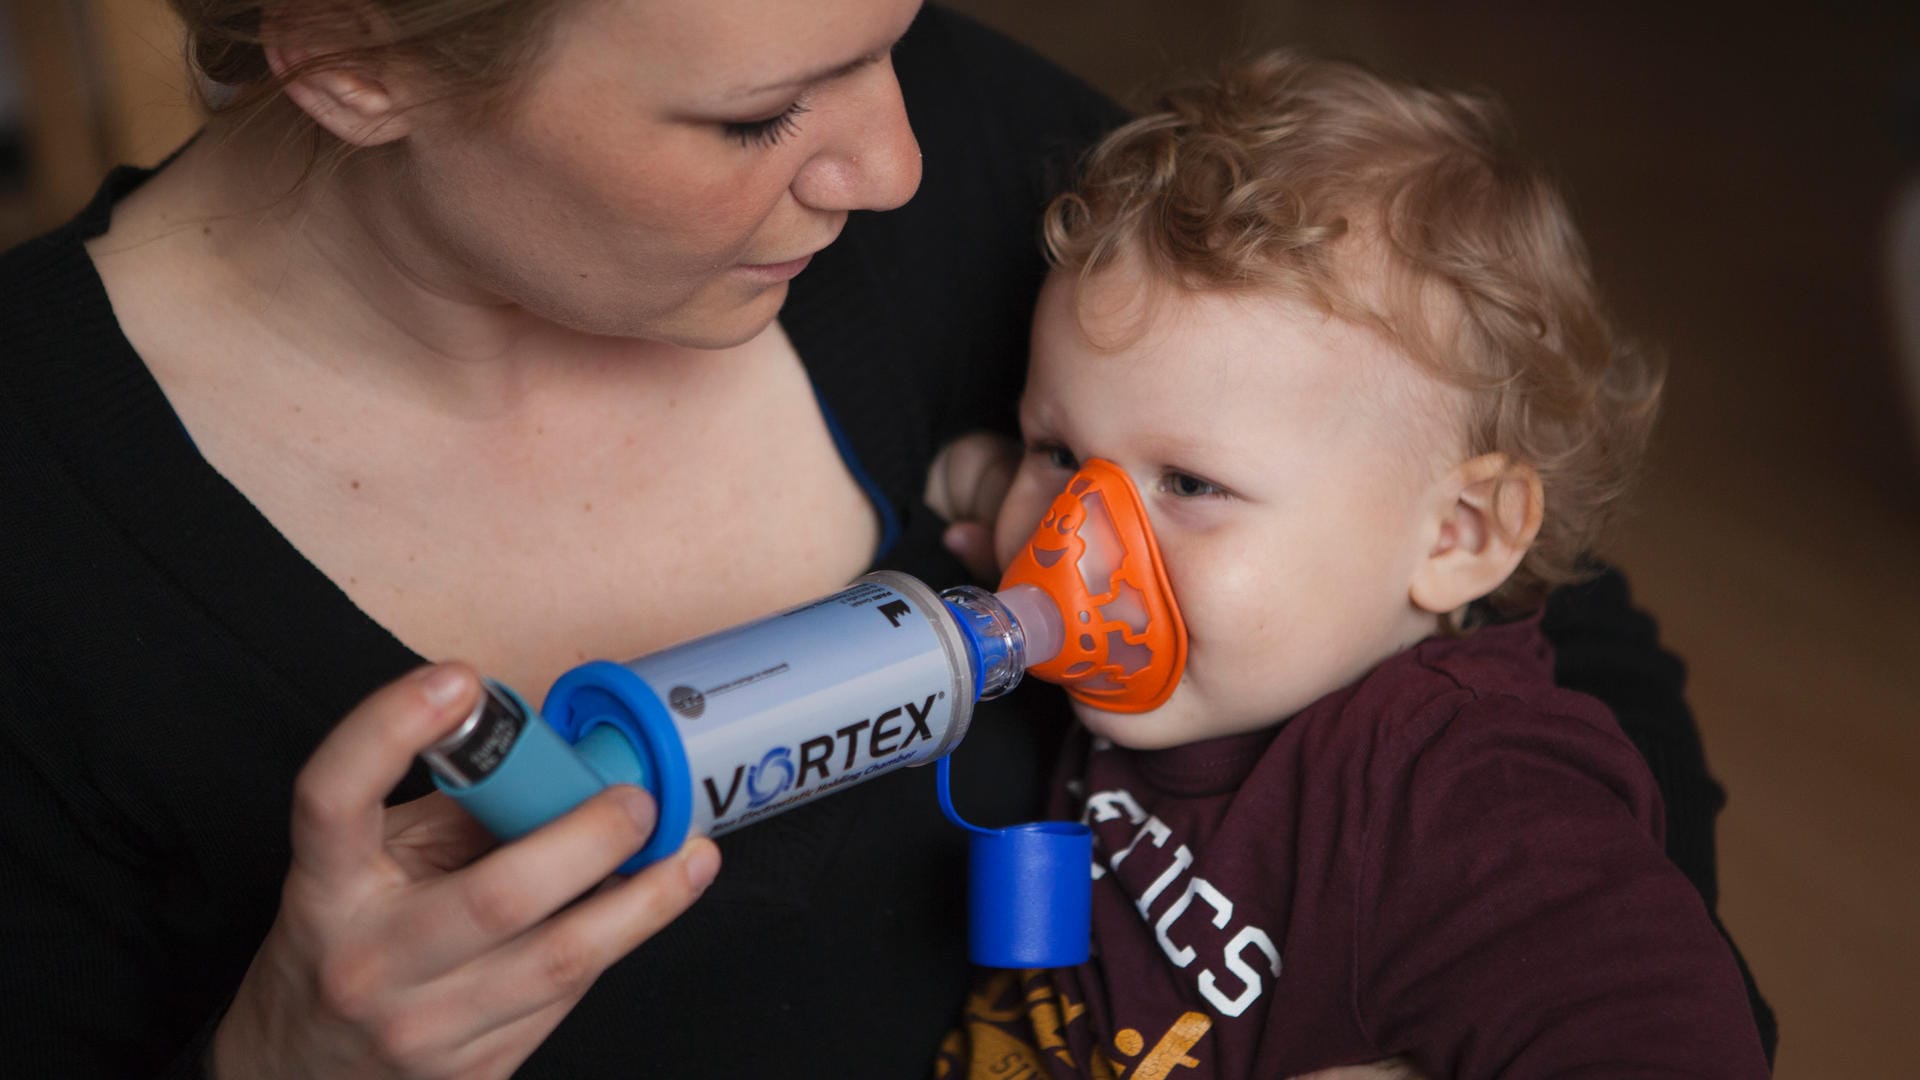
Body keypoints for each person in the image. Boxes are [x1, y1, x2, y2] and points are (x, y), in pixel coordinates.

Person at [0, 2, 1766, 1077]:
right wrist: (286, 1065)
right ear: (356, 57)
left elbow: (1554, 647)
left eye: (896, 32)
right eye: (756, 113)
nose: (903, 166)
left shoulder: (1025, 205)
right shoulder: (50, 543)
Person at [929, 49, 1772, 1078]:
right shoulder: (1212, 648)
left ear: (1458, 535)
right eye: (1059, 453)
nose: (1073, 546)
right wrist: (987, 482)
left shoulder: (1465, 794)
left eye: (1189, 486)